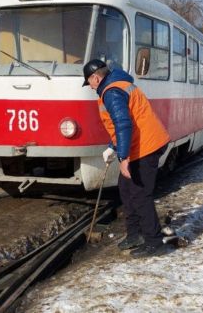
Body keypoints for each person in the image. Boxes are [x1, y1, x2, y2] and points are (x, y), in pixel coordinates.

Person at [82, 59, 171, 258]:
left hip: (146, 147)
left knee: (140, 194)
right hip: (142, 144)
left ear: (96, 77)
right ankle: (135, 234)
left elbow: (123, 124)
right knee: (126, 189)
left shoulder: (112, 92)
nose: (90, 86)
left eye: (89, 81)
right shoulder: (117, 85)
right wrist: (112, 147)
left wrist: (123, 157)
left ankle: (154, 242)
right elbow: (124, 122)